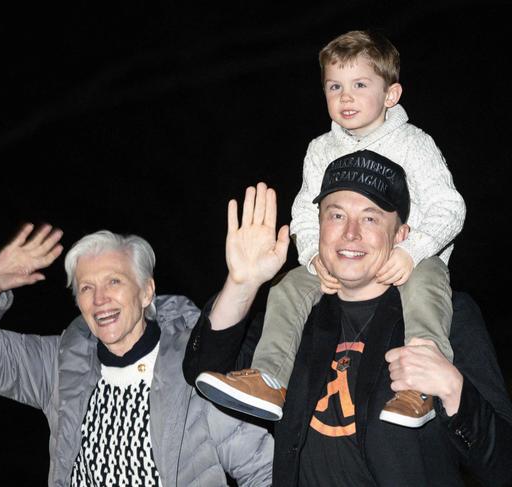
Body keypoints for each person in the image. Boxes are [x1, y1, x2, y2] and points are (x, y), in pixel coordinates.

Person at [187, 165, 512, 486]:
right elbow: (202, 371)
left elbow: (505, 465)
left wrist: (454, 390)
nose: (351, 233)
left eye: (370, 217)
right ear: (318, 228)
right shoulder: (295, 318)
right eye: (336, 215)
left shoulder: (447, 315)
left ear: (401, 235)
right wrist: (242, 283)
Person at [194, 29, 467, 426]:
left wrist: (414, 250)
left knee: (426, 289)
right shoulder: (321, 149)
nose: (346, 97)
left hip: (411, 258)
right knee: (288, 287)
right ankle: (269, 377)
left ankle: (418, 386)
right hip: (339, 259)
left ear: (390, 95)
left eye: (360, 84)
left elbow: (450, 207)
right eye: (334, 86)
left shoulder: (414, 144)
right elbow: (305, 211)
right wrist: (311, 255)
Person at [0, 220, 277, 486]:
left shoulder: (196, 368)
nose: (99, 298)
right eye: (86, 288)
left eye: (114, 282)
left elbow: (264, 471)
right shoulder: (60, 363)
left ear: (146, 291)